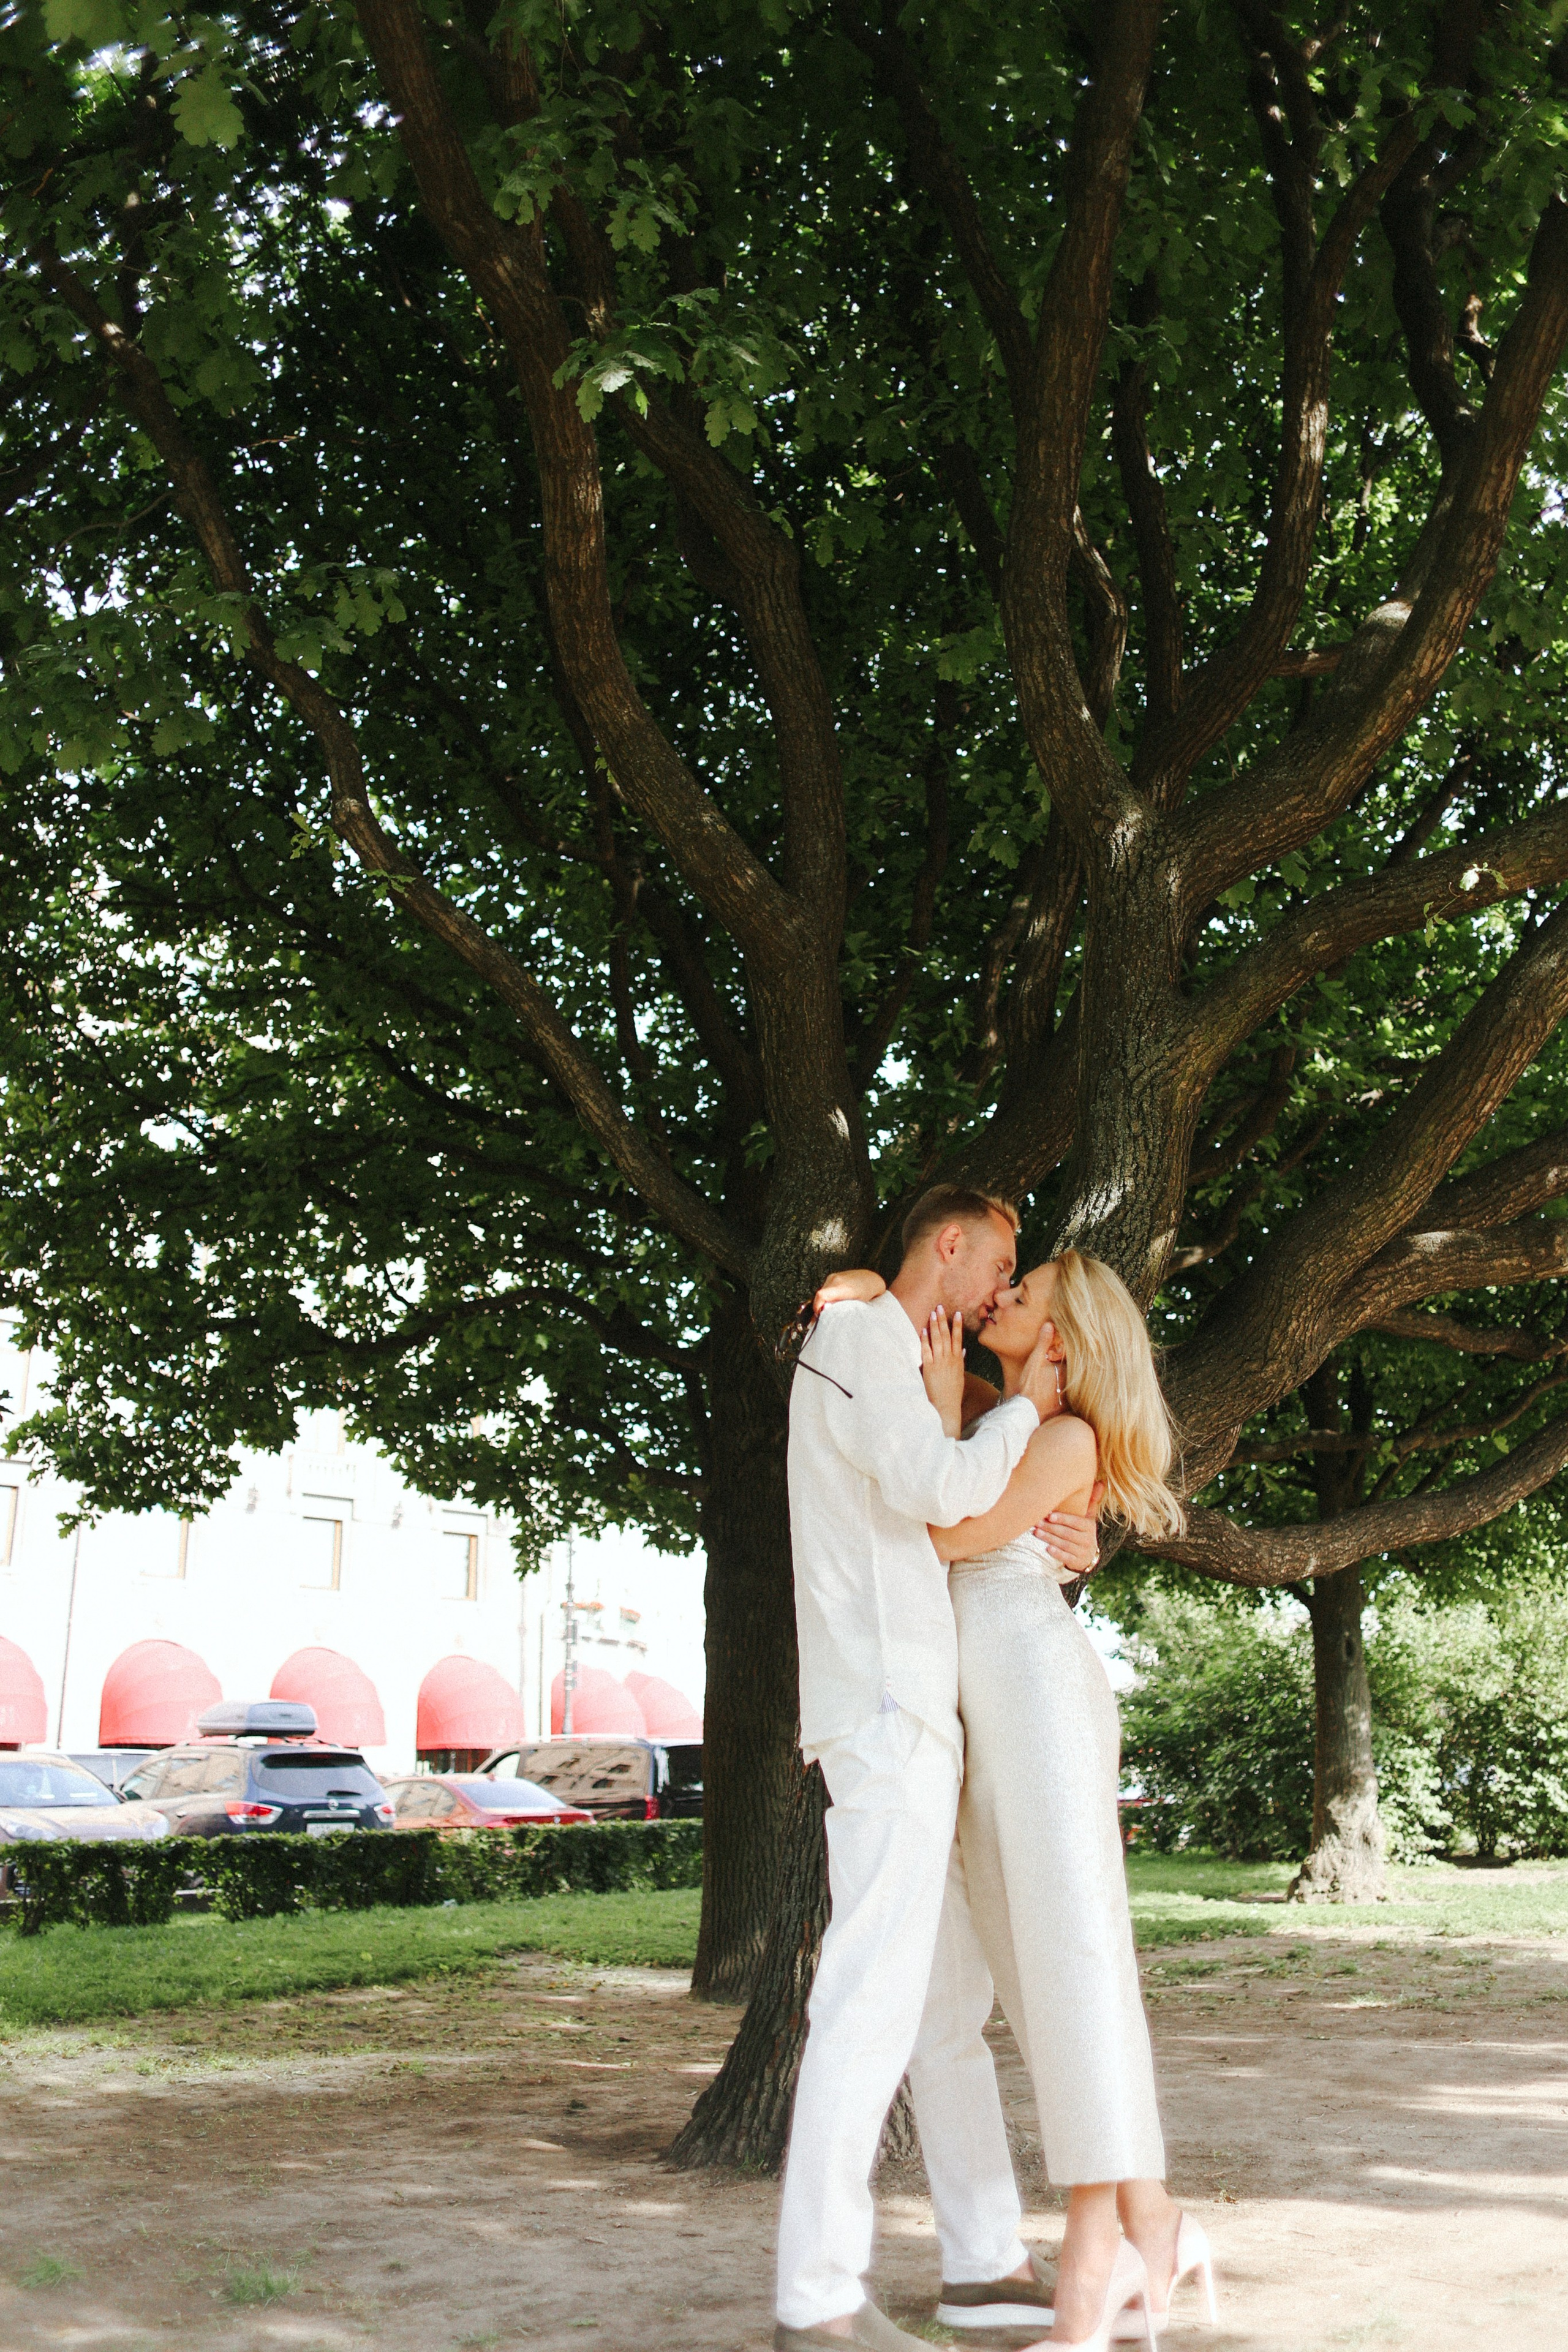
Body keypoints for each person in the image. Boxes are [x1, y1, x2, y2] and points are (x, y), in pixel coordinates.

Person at [827, 1250, 1216, 2352]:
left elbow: (949, 1535)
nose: (1003, 1297)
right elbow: (939, 1464)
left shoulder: (1063, 1434)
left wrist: (982, 1435)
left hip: (1038, 1708)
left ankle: (1099, 2265)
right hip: (977, 1718)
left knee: (1075, 1962)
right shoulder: (1007, 1410)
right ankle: (1155, 2222)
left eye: (1027, 1290)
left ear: (1063, 1333)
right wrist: (871, 1292)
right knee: (1039, 1971)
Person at [775, 1186, 1100, 2352]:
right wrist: (1030, 1410)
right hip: (885, 1703)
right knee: (867, 1998)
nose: (1002, 1289)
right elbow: (945, 1493)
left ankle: (982, 2260)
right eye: (998, 1261)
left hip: (914, 1706)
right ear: (948, 1247)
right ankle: (814, 2299)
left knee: (943, 2006)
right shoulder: (862, 1335)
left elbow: (965, 1487)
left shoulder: (895, 1348)